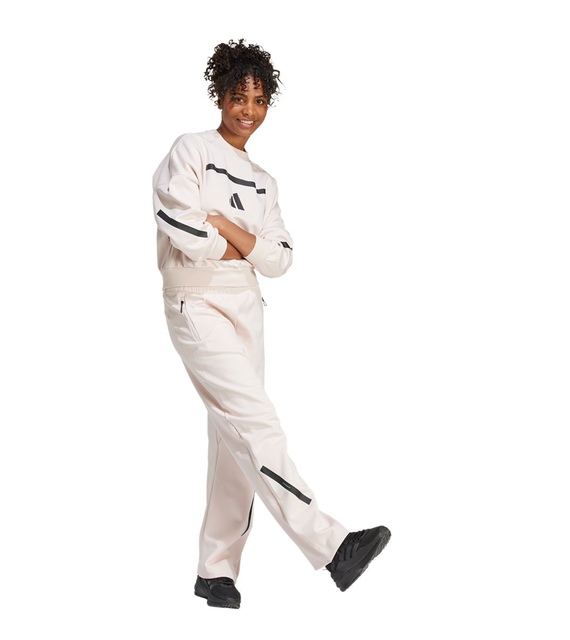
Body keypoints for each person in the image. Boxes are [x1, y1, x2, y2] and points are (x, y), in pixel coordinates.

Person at [152, 38, 391, 609]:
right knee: (256, 424)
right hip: (196, 301)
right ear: (220, 95)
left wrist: (226, 228)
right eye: (239, 97)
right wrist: (242, 244)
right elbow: (180, 227)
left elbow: (280, 259)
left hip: (248, 306)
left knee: (231, 436)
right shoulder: (190, 150)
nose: (249, 110)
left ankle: (215, 571)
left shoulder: (265, 181)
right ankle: (332, 546)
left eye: (259, 100)